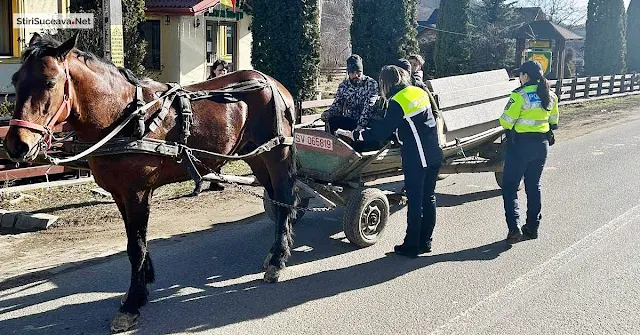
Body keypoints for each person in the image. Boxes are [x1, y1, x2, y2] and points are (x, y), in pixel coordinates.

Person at [336, 65, 443, 258]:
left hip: (418, 158)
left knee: (416, 200)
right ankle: (425, 242)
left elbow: (380, 133)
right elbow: (414, 122)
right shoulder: (419, 92)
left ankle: (411, 246)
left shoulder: (397, 101)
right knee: (429, 198)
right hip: (434, 153)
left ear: (386, 83)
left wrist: (353, 135)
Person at [499, 60, 559, 244]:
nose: (519, 78)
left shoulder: (519, 95)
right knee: (533, 186)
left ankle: (514, 228)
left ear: (526, 76)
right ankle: (532, 228)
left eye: (520, 75)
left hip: (520, 147)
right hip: (541, 146)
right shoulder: (550, 95)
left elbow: (506, 121)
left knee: (510, 187)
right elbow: (554, 121)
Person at [321, 54, 379, 137]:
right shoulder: (343, 86)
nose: (356, 75)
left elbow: (369, 106)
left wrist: (360, 126)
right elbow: (337, 104)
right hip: (352, 119)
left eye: (359, 72)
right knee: (332, 121)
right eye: (352, 72)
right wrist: (328, 113)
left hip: (368, 122)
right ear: (348, 73)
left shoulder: (371, 84)